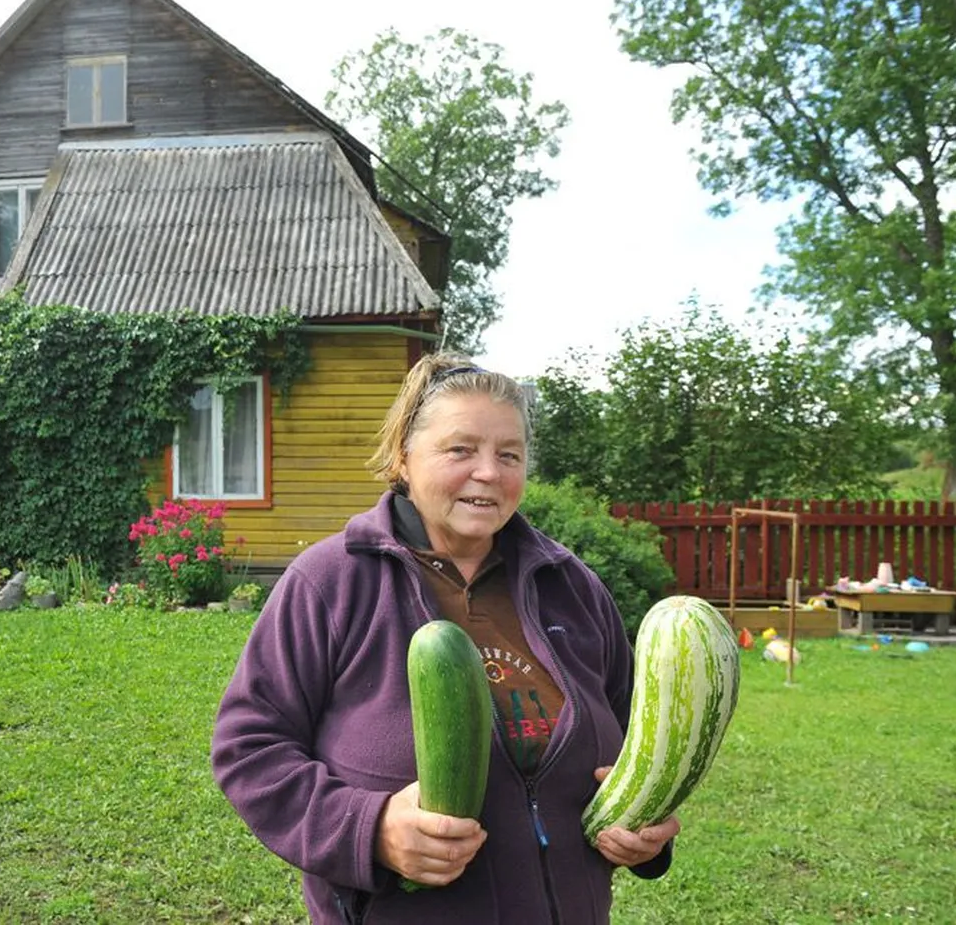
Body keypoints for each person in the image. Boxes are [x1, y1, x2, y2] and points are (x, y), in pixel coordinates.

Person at [210, 353, 678, 923]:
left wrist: (648, 823)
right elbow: (249, 749)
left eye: (509, 455)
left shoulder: (573, 586)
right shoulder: (331, 582)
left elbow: (640, 738)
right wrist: (370, 828)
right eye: (461, 450)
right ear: (403, 458)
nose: (489, 472)